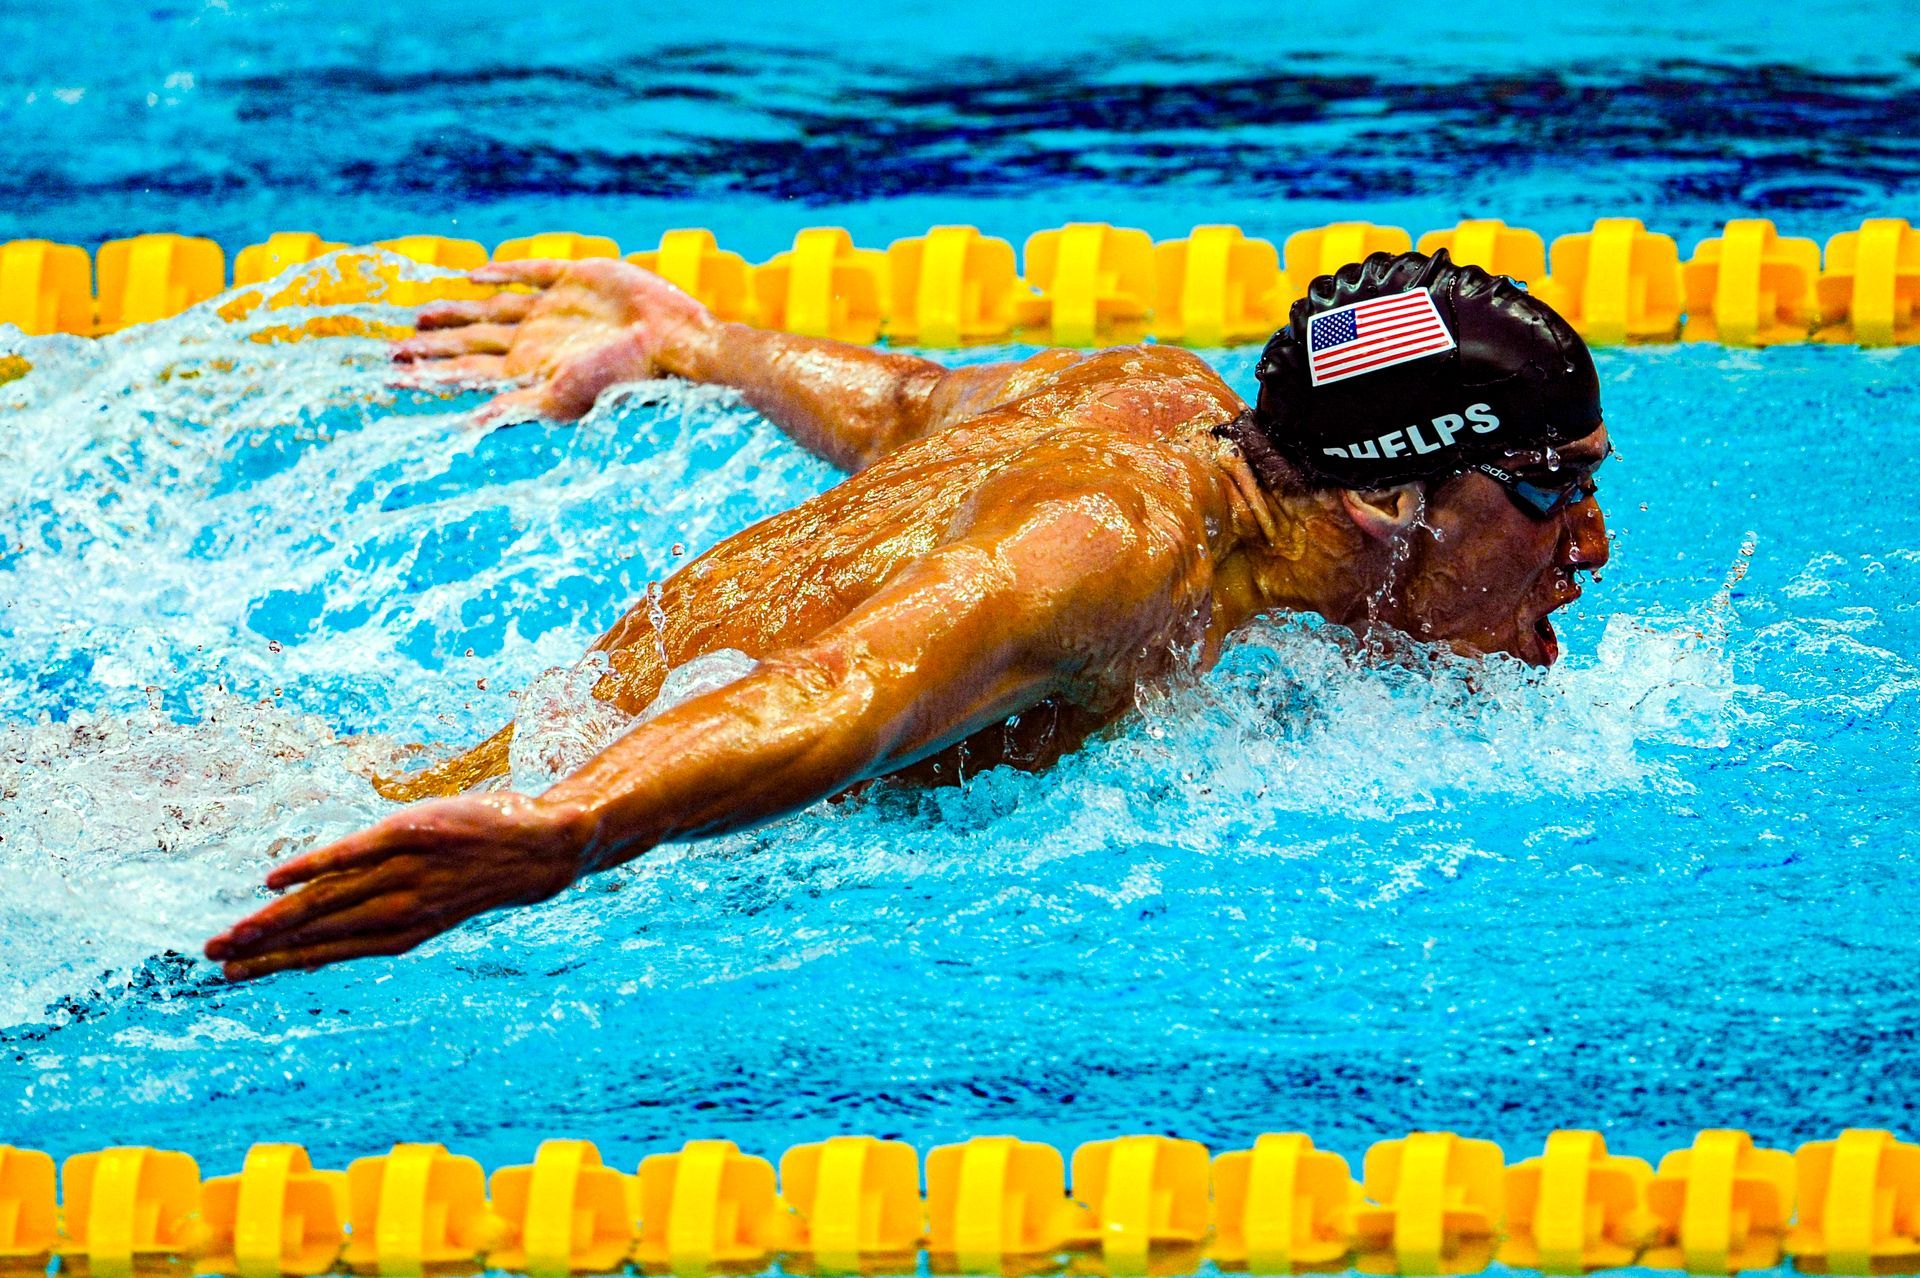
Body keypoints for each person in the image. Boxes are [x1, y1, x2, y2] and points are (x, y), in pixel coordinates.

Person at [205, 248, 1611, 981]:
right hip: (493, 812)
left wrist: (700, 344)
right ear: (1387, 503)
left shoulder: (1165, 395)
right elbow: (830, 694)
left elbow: (909, 405)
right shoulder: (1115, 556)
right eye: (1550, 493)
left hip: (489, 761)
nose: (1592, 547)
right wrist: (570, 828)